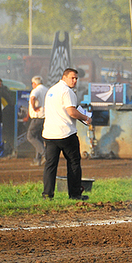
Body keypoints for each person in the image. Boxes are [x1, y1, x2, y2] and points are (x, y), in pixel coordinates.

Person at [41, 68, 91, 200]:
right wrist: (86, 118)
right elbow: (72, 112)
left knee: (50, 165)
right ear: (64, 77)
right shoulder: (67, 91)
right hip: (65, 133)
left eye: (76, 79)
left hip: (50, 134)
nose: (74, 81)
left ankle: (47, 194)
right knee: (73, 163)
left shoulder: (51, 90)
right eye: (72, 78)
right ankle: (74, 194)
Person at [27, 76, 48, 166]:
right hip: (45, 117)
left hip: (37, 117)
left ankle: (44, 154)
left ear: (34, 83)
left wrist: (34, 107)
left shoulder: (36, 90)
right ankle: (37, 159)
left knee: (30, 136)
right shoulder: (47, 90)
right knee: (38, 138)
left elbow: (32, 98)